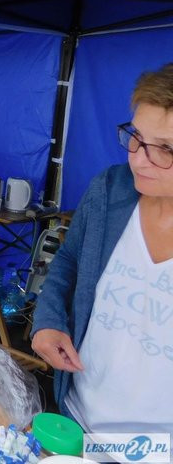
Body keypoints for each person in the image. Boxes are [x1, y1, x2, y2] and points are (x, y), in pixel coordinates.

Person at [32, 64, 173, 433]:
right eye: (137, 136)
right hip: (78, 418)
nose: (139, 158)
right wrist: (47, 321)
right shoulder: (111, 188)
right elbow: (69, 259)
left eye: (166, 149)